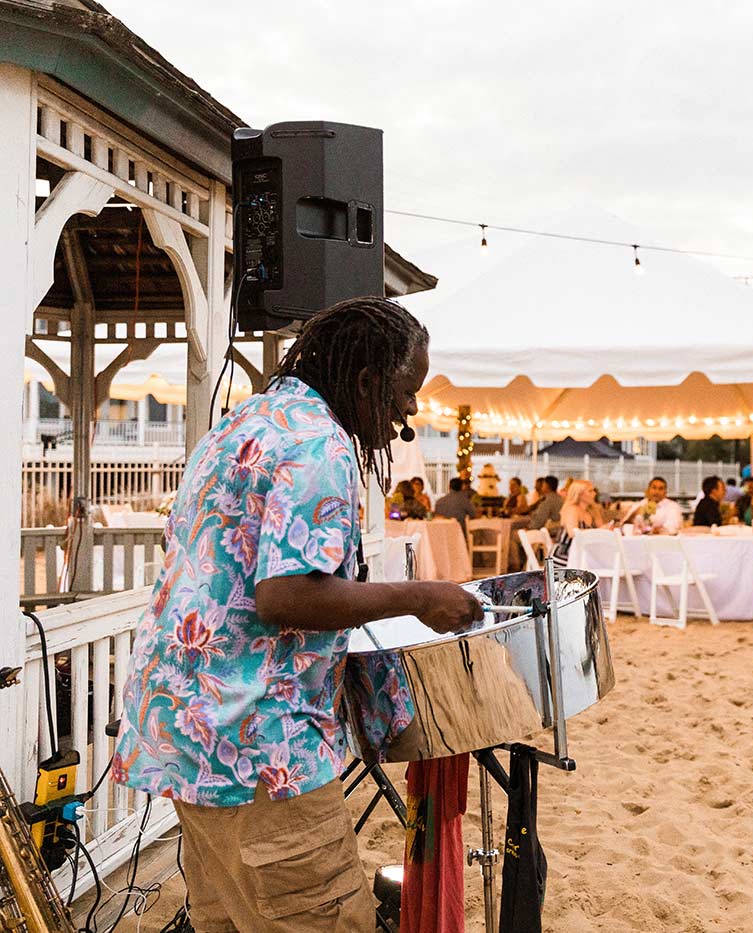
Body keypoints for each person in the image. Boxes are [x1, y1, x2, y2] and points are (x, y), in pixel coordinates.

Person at [112, 297, 483, 933]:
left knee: (228, 921)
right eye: (404, 392)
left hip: (186, 731)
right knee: (324, 916)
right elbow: (285, 595)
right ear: (366, 381)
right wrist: (420, 596)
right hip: (259, 742)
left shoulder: (246, 420)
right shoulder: (319, 444)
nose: (410, 411)